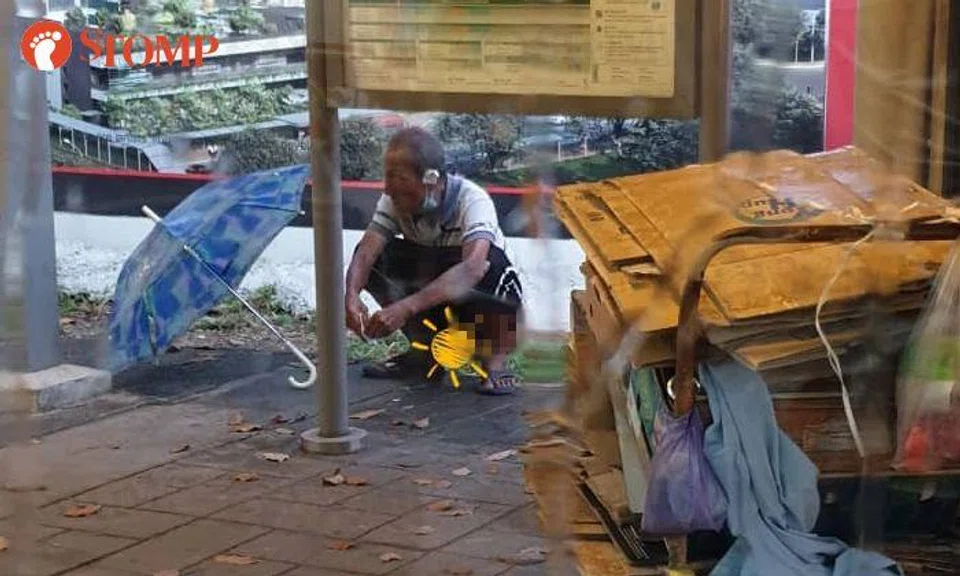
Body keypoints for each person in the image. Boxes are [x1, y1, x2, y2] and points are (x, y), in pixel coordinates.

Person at [344, 127, 524, 395]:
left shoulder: (472, 201)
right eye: (388, 177)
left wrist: (404, 308)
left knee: (488, 262)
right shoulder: (393, 199)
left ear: (431, 180)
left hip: (476, 300)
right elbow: (367, 252)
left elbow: (473, 268)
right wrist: (351, 295)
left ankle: (494, 362)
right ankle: (424, 353)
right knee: (379, 258)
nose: (390, 188)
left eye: (401, 179)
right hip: (434, 290)